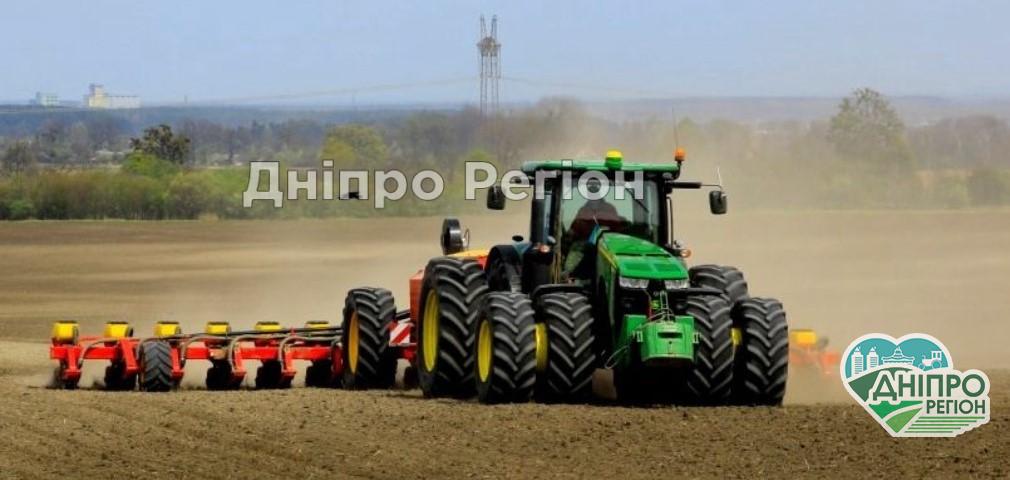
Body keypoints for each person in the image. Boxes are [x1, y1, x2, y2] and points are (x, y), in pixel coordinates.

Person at [561, 196, 625, 281]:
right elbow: (574, 230)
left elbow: (618, 231)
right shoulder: (583, 210)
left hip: (607, 249)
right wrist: (569, 236)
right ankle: (570, 275)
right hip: (585, 251)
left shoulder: (609, 209)